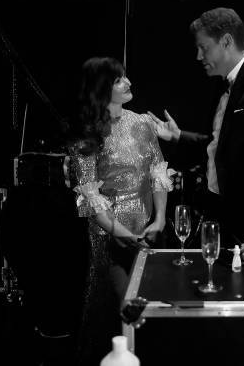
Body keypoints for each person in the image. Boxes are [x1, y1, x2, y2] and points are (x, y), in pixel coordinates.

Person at [148, 7, 244, 258]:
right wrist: (178, 136)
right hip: (219, 212)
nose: (198, 56)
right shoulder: (222, 86)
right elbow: (218, 145)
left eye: (204, 47)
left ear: (226, 41)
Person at [69, 56, 173, 365]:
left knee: (155, 312)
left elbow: (158, 172)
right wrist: (121, 232)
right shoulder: (86, 135)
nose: (127, 82)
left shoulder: (141, 122)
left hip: (149, 233)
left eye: (125, 77)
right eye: (118, 80)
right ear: (102, 89)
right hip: (110, 238)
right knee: (126, 311)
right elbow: (90, 198)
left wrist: (160, 219)